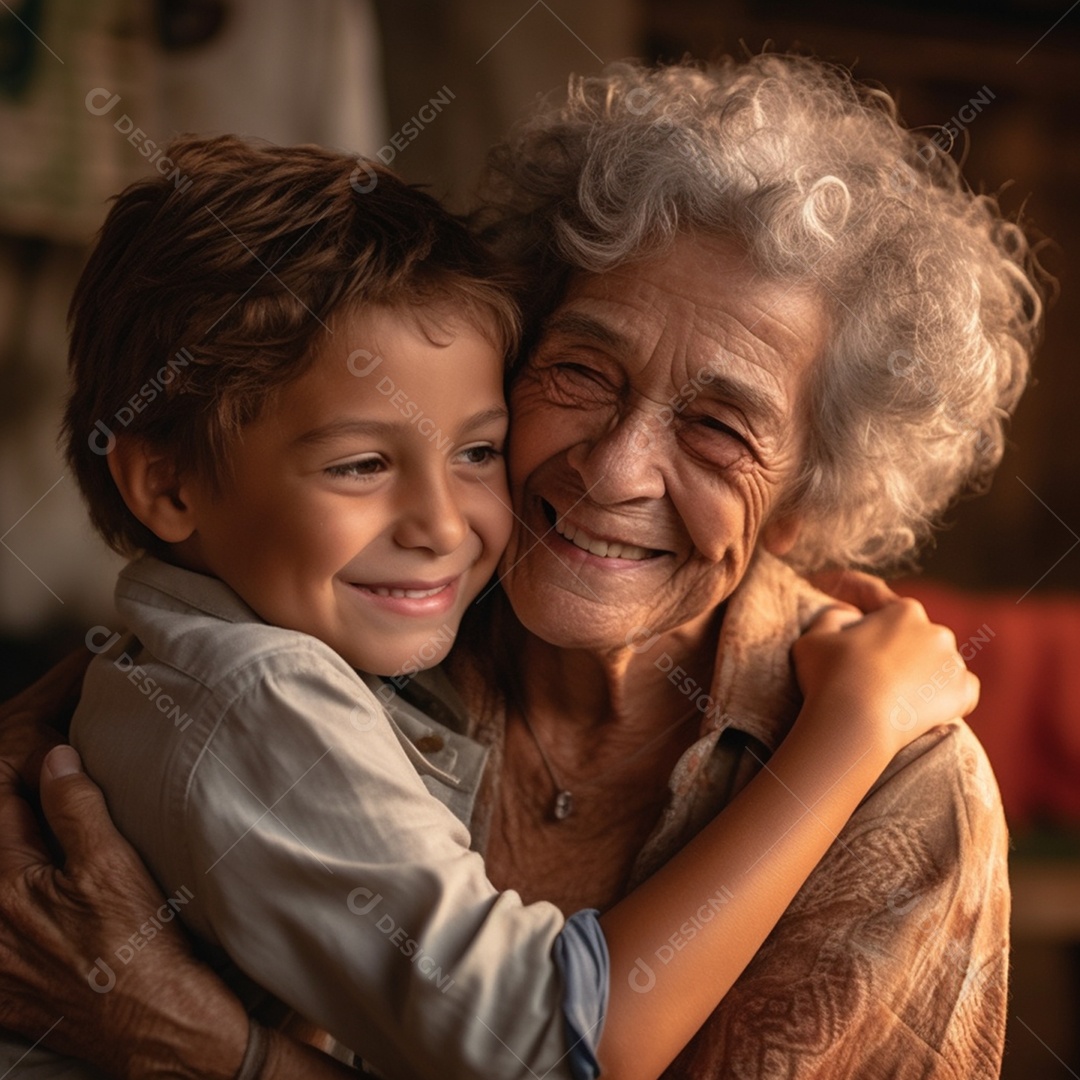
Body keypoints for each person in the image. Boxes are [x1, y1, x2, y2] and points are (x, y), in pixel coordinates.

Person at [0, 52, 1040, 1078]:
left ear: (808, 497)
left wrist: (207, 1050)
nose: (614, 470)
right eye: (584, 370)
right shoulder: (377, 613)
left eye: (720, 428)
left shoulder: (901, 789)